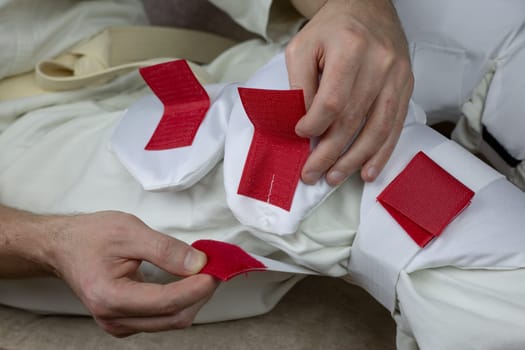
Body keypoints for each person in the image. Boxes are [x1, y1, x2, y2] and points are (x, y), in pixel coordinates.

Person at [1, 1, 525, 349]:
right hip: (30, 144)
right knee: (378, 193)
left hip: (156, 60)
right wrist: (45, 241)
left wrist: (353, 8)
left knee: (496, 19)